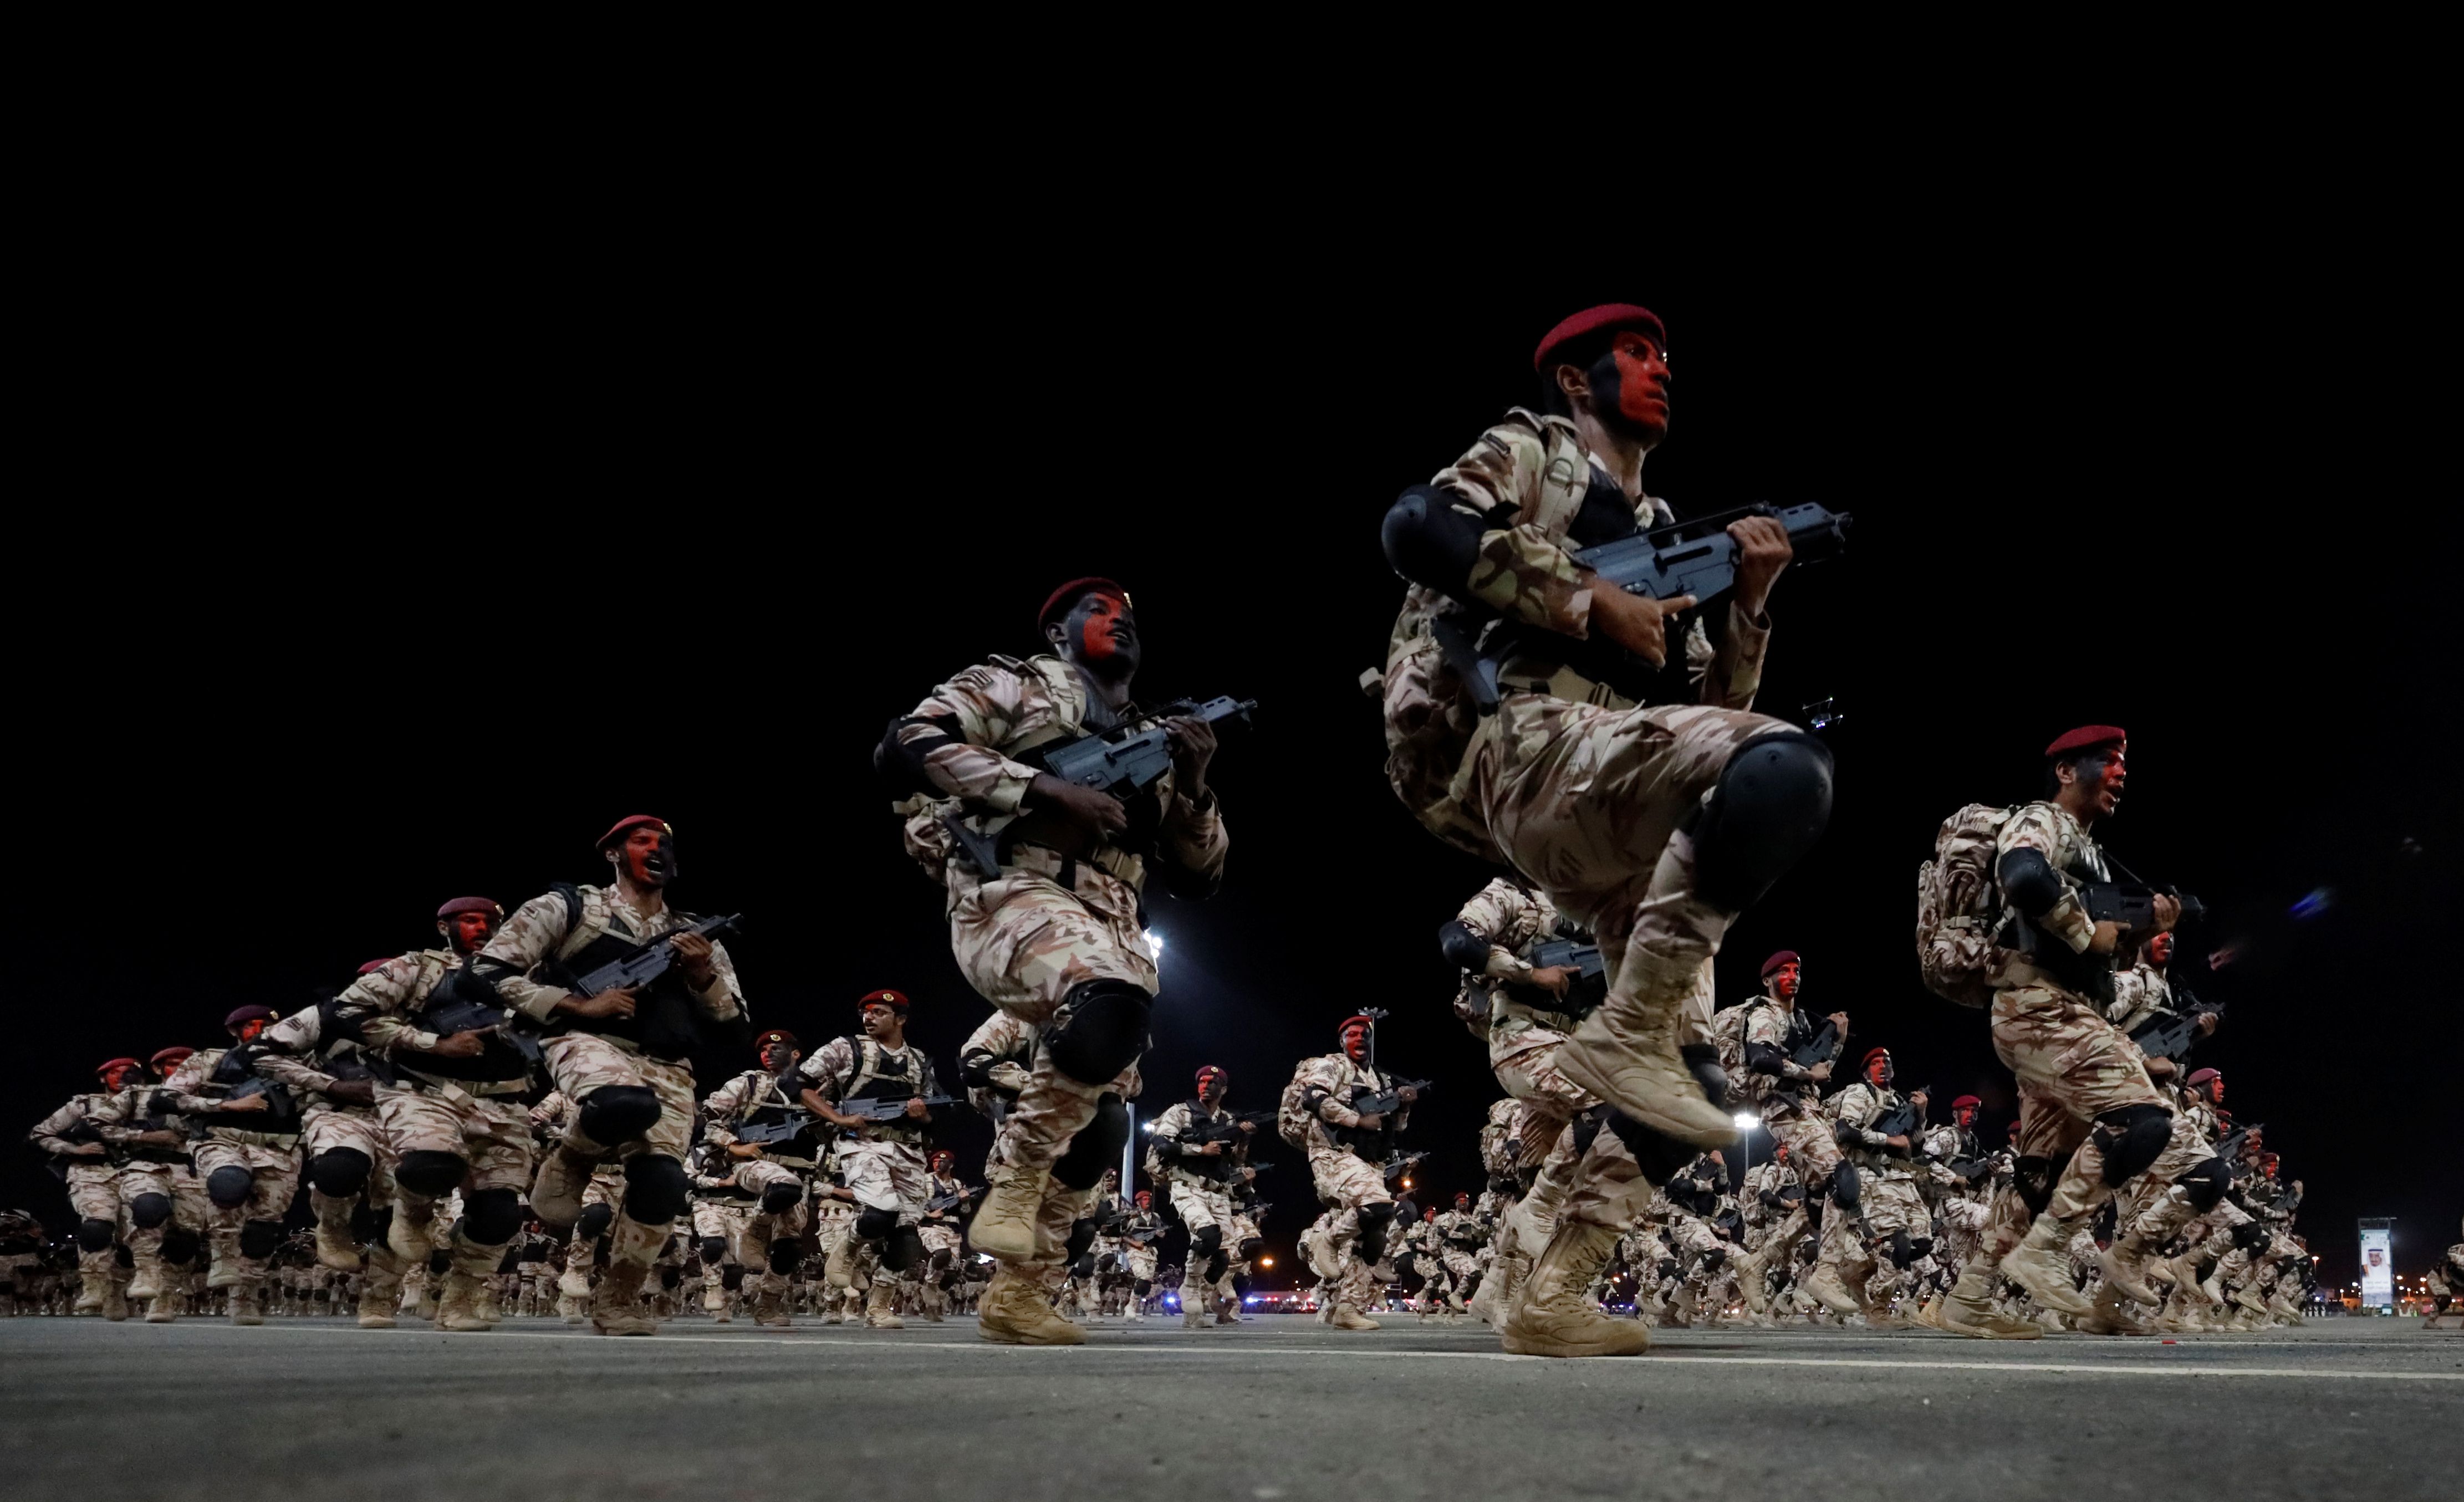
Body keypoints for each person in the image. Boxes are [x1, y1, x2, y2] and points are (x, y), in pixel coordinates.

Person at [1376, 304, 1826, 1354]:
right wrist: (1582, 602)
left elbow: (1709, 697)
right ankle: (1620, 1041)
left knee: (1694, 1083)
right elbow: (1417, 525)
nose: (1661, 369)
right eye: (1636, 355)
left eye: (1666, 356)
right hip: (1522, 744)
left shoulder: (1658, 518)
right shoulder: (1538, 450)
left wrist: (1749, 603)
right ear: (1578, 381)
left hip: (1609, 787)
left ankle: (1556, 1294)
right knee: (1784, 762)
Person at [880, 578, 1228, 1342]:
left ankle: (1017, 1292)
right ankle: (1014, 1180)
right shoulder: (1016, 684)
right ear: (1060, 633)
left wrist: (1195, 782)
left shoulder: (1158, 739)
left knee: (1105, 1122)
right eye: (1097, 611)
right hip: (1017, 889)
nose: (1119, 621)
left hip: (1116, 918)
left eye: (1129, 614)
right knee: (1110, 1001)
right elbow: (907, 743)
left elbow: (1200, 875)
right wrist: (1043, 786)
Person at [1938, 728, 2200, 1338]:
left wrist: (2138, 931)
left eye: (2123, 764)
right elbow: (2023, 875)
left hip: (2061, 1010)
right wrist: (2088, 933)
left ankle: (1970, 1296)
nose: (2120, 773)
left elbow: (2093, 949)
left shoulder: (2090, 855)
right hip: (2037, 1007)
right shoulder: (2042, 821)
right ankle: (2043, 1252)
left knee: (2040, 1175)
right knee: (2142, 1119)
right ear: (2063, 771)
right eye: (2107, 761)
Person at [470, 816, 749, 1336]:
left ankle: (618, 1298)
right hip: (586, 1040)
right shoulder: (568, 908)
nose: (656, 848)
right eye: (641, 840)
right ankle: (572, 1158)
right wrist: (578, 1004)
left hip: (668, 1064)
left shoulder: (693, 934)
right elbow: (487, 974)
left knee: (663, 1183)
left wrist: (701, 975)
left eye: (665, 842)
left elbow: (733, 1024)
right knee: (625, 1102)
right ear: (613, 854)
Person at [329, 896, 538, 1332]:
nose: (482, 927)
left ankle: (460, 1298)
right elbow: (346, 1012)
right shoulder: (415, 969)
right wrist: (432, 1044)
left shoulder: (528, 972)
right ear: (444, 927)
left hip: (504, 1101)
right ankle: (382, 1289)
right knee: (429, 1168)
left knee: (500, 1213)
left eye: (491, 921)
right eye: (469, 920)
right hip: (426, 1091)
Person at [797, 990, 943, 1331]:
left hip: (907, 1151)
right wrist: (838, 1118)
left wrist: (920, 1115)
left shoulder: (919, 1060)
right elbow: (800, 1085)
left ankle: (879, 1307)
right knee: (880, 1214)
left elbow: (932, 1114)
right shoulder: (845, 1048)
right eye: (866, 1012)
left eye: (879, 1012)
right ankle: (846, 1248)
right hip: (862, 1144)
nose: (869, 1017)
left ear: (900, 1019)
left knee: (907, 1237)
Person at [160, 1007, 303, 1324]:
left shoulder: (299, 1058)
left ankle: (245, 1296)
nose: (261, 1030)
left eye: (268, 1025)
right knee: (228, 1184)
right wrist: (224, 1104)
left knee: (263, 1229)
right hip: (223, 1138)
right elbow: (166, 1097)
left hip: (280, 1147)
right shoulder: (211, 1060)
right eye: (251, 1026)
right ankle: (206, 1266)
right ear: (234, 1031)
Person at [1286, 1014, 1419, 1330]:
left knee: (1374, 1235)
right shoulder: (1333, 1066)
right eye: (1353, 1034)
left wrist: (1404, 1105)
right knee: (1379, 1206)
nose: (1360, 1039)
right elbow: (1312, 1098)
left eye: (1366, 1035)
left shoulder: (1381, 1079)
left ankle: (1348, 1308)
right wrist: (1356, 1120)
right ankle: (1328, 1240)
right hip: (1334, 1155)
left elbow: (1395, 1127)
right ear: (1342, 1041)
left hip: (1370, 1163)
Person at [701, 1029, 820, 1327]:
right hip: (755, 1164)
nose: (767, 1053)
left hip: (800, 1168)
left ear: (795, 1054)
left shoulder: (816, 1090)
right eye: (763, 1049)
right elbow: (709, 1117)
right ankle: (755, 1230)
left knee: (790, 1246)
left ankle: (767, 1305)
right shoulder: (749, 1083)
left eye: (775, 1048)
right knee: (784, 1187)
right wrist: (733, 1145)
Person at [1147, 1065, 1257, 1328]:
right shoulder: (1180, 1112)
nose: (1206, 1086)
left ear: (1224, 1089)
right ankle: (1189, 1287)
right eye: (1202, 1081)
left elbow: (1234, 1161)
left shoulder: (1229, 1120)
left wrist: (1244, 1138)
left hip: (1219, 1191)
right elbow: (1161, 1144)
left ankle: (1194, 1308)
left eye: (1213, 1082)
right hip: (1188, 1186)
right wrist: (1199, 1149)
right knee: (1208, 1234)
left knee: (1220, 1256)